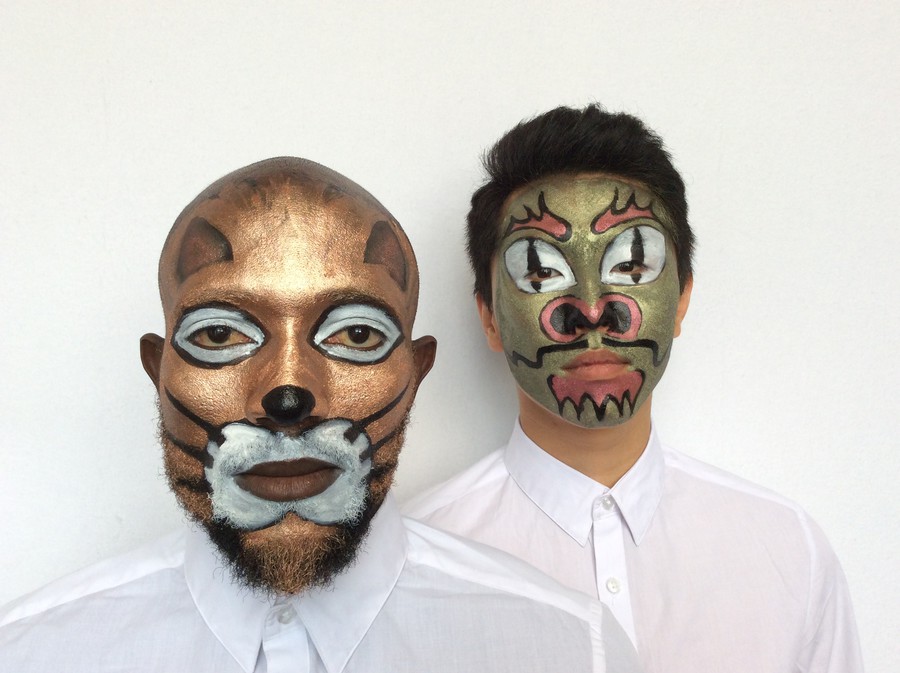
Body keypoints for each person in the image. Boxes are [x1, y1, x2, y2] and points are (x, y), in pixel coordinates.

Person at [0, 157, 642, 672]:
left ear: (416, 372)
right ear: (157, 370)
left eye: (356, 335)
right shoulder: (32, 653)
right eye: (220, 335)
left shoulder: (568, 650)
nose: (287, 393)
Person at [405, 106, 864, 672]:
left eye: (632, 266)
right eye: (541, 272)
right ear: (490, 317)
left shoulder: (789, 553)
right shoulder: (406, 566)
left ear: (683, 298)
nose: (592, 311)